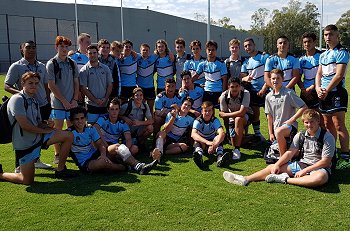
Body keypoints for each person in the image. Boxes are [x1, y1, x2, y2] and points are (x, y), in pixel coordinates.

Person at [223, 109, 335, 188]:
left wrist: (306, 171)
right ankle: (245, 179)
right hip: (303, 164)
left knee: (320, 178)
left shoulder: (327, 137)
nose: (309, 125)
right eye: (306, 122)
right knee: (273, 167)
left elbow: (326, 161)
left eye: (312, 122)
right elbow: (290, 153)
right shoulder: (301, 135)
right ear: (303, 122)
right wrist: (277, 164)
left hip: (318, 168)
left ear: (318, 122)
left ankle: (285, 179)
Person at [0, 72, 76, 185]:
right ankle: (1, 174)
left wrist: (47, 125)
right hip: (25, 144)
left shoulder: (34, 100)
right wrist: (44, 130)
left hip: (38, 136)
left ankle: (60, 170)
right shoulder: (17, 99)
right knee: (27, 180)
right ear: (22, 83)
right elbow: (25, 125)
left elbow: (37, 123)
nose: (34, 86)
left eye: (36, 83)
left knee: (68, 135)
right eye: (30, 83)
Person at [4, 40, 51, 169]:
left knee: (39, 133)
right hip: (26, 105)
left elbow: (46, 85)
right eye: (28, 47)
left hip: (42, 104)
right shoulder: (16, 66)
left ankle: (36, 160)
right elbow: (6, 86)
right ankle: (19, 165)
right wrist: (22, 94)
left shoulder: (41, 66)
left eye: (34, 47)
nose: (31, 50)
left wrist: (48, 101)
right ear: (22, 50)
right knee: (24, 135)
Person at [68, 106, 157, 174]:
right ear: (71, 121)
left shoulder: (90, 129)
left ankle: (138, 165)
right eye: (77, 119)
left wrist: (103, 155)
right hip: (86, 163)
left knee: (118, 147)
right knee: (103, 163)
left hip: (97, 154)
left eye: (82, 118)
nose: (80, 121)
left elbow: (100, 145)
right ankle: (126, 167)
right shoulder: (69, 134)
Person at [315, 24, 350, 169]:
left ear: (337, 36)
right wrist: (318, 88)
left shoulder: (342, 52)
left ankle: (345, 156)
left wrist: (326, 90)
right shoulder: (323, 54)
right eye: (325, 35)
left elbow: (339, 74)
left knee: (338, 124)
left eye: (331, 34)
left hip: (336, 93)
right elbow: (319, 74)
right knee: (327, 124)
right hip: (324, 93)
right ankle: (332, 153)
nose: (328, 37)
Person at [46, 36, 79, 164]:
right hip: (58, 104)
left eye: (66, 47)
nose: (64, 49)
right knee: (57, 130)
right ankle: (57, 154)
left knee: (72, 128)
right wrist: (64, 101)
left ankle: (70, 151)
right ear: (56, 47)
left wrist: (75, 99)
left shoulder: (72, 63)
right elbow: (51, 85)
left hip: (72, 103)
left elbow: (76, 82)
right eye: (61, 47)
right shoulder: (51, 63)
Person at [265, 68, 307, 157]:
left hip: (290, 127)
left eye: (278, 78)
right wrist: (270, 133)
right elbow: (269, 116)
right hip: (276, 128)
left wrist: (292, 120)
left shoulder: (289, 93)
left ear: (282, 79)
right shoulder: (268, 96)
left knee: (279, 132)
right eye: (273, 78)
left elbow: (304, 107)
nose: (275, 81)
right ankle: (294, 154)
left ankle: (283, 159)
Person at [241, 37, 269, 140]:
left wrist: (265, 88)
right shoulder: (246, 62)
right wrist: (246, 78)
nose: (248, 47)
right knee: (255, 114)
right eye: (245, 46)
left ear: (254, 45)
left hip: (266, 90)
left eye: (249, 45)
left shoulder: (264, 57)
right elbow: (242, 76)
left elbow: (270, 73)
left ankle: (273, 136)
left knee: (269, 114)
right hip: (253, 91)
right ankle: (258, 135)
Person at [219, 77, 253, 160]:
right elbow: (224, 117)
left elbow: (241, 112)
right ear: (228, 87)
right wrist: (228, 129)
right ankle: (249, 137)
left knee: (238, 119)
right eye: (232, 87)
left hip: (246, 116)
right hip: (231, 118)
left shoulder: (245, 93)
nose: (235, 89)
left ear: (240, 86)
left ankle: (237, 149)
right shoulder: (224, 96)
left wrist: (226, 115)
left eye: (237, 86)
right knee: (233, 142)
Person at [151, 97, 195, 162]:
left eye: (189, 106)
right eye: (185, 104)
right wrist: (173, 118)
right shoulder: (171, 113)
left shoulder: (190, 119)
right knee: (161, 133)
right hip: (164, 138)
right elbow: (166, 129)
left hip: (173, 142)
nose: (186, 107)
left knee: (184, 146)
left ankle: (160, 153)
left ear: (190, 108)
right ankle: (158, 152)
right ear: (181, 104)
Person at [79, 45, 113, 124]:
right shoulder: (83, 70)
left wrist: (105, 98)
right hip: (92, 105)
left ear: (98, 54)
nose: (92, 55)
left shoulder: (105, 68)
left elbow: (110, 85)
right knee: (91, 127)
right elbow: (83, 89)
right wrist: (95, 100)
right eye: (90, 53)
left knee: (104, 127)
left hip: (105, 104)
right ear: (87, 55)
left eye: (94, 53)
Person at [191, 101, 228, 169]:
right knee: (197, 141)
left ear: (212, 111)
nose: (207, 113)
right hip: (202, 142)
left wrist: (214, 145)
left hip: (213, 141)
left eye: (209, 110)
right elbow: (193, 134)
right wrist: (207, 142)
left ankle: (219, 157)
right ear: (202, 111)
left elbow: (222, 133)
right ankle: (199, 157)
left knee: (219, 137)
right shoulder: (198, 120)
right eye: (205, 111)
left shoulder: (215, 120)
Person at [193, 40, 227, 108]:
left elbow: (225, 80)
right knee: (206, 112)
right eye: (209, 50)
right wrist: (186, 84)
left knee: (223, 113)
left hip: (218, 92)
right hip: (207, 91)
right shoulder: (202, 64)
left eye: (213, 50)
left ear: (216, 50)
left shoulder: (221, 63)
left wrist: (222, 94)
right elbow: (195, 76)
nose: (211, 52)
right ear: (206, 50)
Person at [119, 87, 154, 153]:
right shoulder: (127, 106)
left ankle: (141, 143)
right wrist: (125, 118)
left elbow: (151, 120)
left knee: (150, 127)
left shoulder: (145, 106)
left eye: (141, 95)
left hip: (138, 130)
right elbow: (117, 115)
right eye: (136, 95)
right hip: (127, 130)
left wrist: (140, 123)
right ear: (133, 97)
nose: (139, 97)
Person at [298, 32, 323, 110]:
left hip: (318, 89)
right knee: (306, 118)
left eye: (309, 41)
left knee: (320, 118)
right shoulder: (301, 59)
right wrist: (304, 90)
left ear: (314, 42)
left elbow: (325, 75)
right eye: (305, 42)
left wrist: (312, 88)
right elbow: (298, 77)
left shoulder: (322, 56)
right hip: (305, 92)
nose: (307, 44)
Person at [137, 43, 158, 113]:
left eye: (147, 50)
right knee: (140, 107)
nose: (145, 52)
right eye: (143, 50)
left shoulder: (153, 57)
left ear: (149, 51)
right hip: (140, 87)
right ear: (140, 51)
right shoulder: (137, 58)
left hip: (150, 86)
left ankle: (151, 122)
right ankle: (141, 122)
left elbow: (162, 52)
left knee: (150, 108)